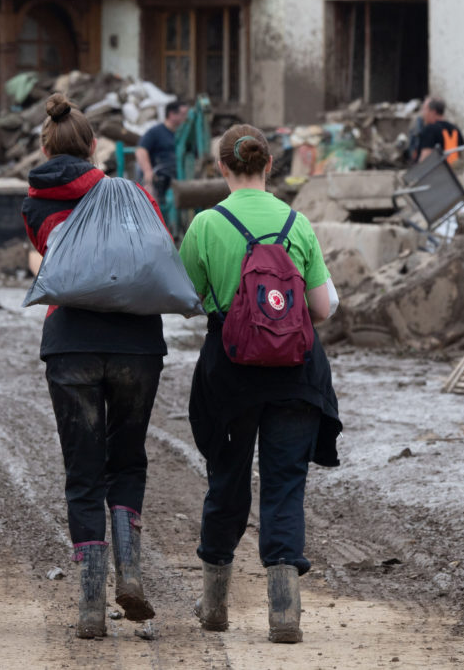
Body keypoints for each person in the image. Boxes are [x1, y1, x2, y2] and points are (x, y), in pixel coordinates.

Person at [179, 124, 342, 644]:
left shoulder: (206, 224)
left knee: (226, 482)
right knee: (284, 485)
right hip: (296, 372)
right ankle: (284, 613)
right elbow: (323, 309)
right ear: (270, 165)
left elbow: (187, 300)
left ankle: (214, 606)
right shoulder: (298, 223)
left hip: (230, 375)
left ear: (221, 168)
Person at [22, 93, 168, 639]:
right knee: (126, 460)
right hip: (137, 345)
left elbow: (52, 262)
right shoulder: (133, 195)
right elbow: (157, 252)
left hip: (71, 346)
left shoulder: (35, 205)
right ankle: (130, 572)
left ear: (45, 148)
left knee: (83, 470)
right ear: (94, 146)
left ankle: (89, 606)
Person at [135, 100, 189, 211]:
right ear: (172, 114)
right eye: (183, 114)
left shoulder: (184, 135)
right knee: (149, 190)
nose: (186, 117)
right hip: (160, 174)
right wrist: (148, 171)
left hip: (181, 174)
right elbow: (141, 151)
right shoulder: (155, 132)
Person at [411, 97, 464, 163]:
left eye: (425, 110)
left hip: (438, 169)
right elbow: (462, 156)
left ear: (433, 112)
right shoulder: (456, 129)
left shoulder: (430, 130)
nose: (423, 114)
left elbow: (424, 161)